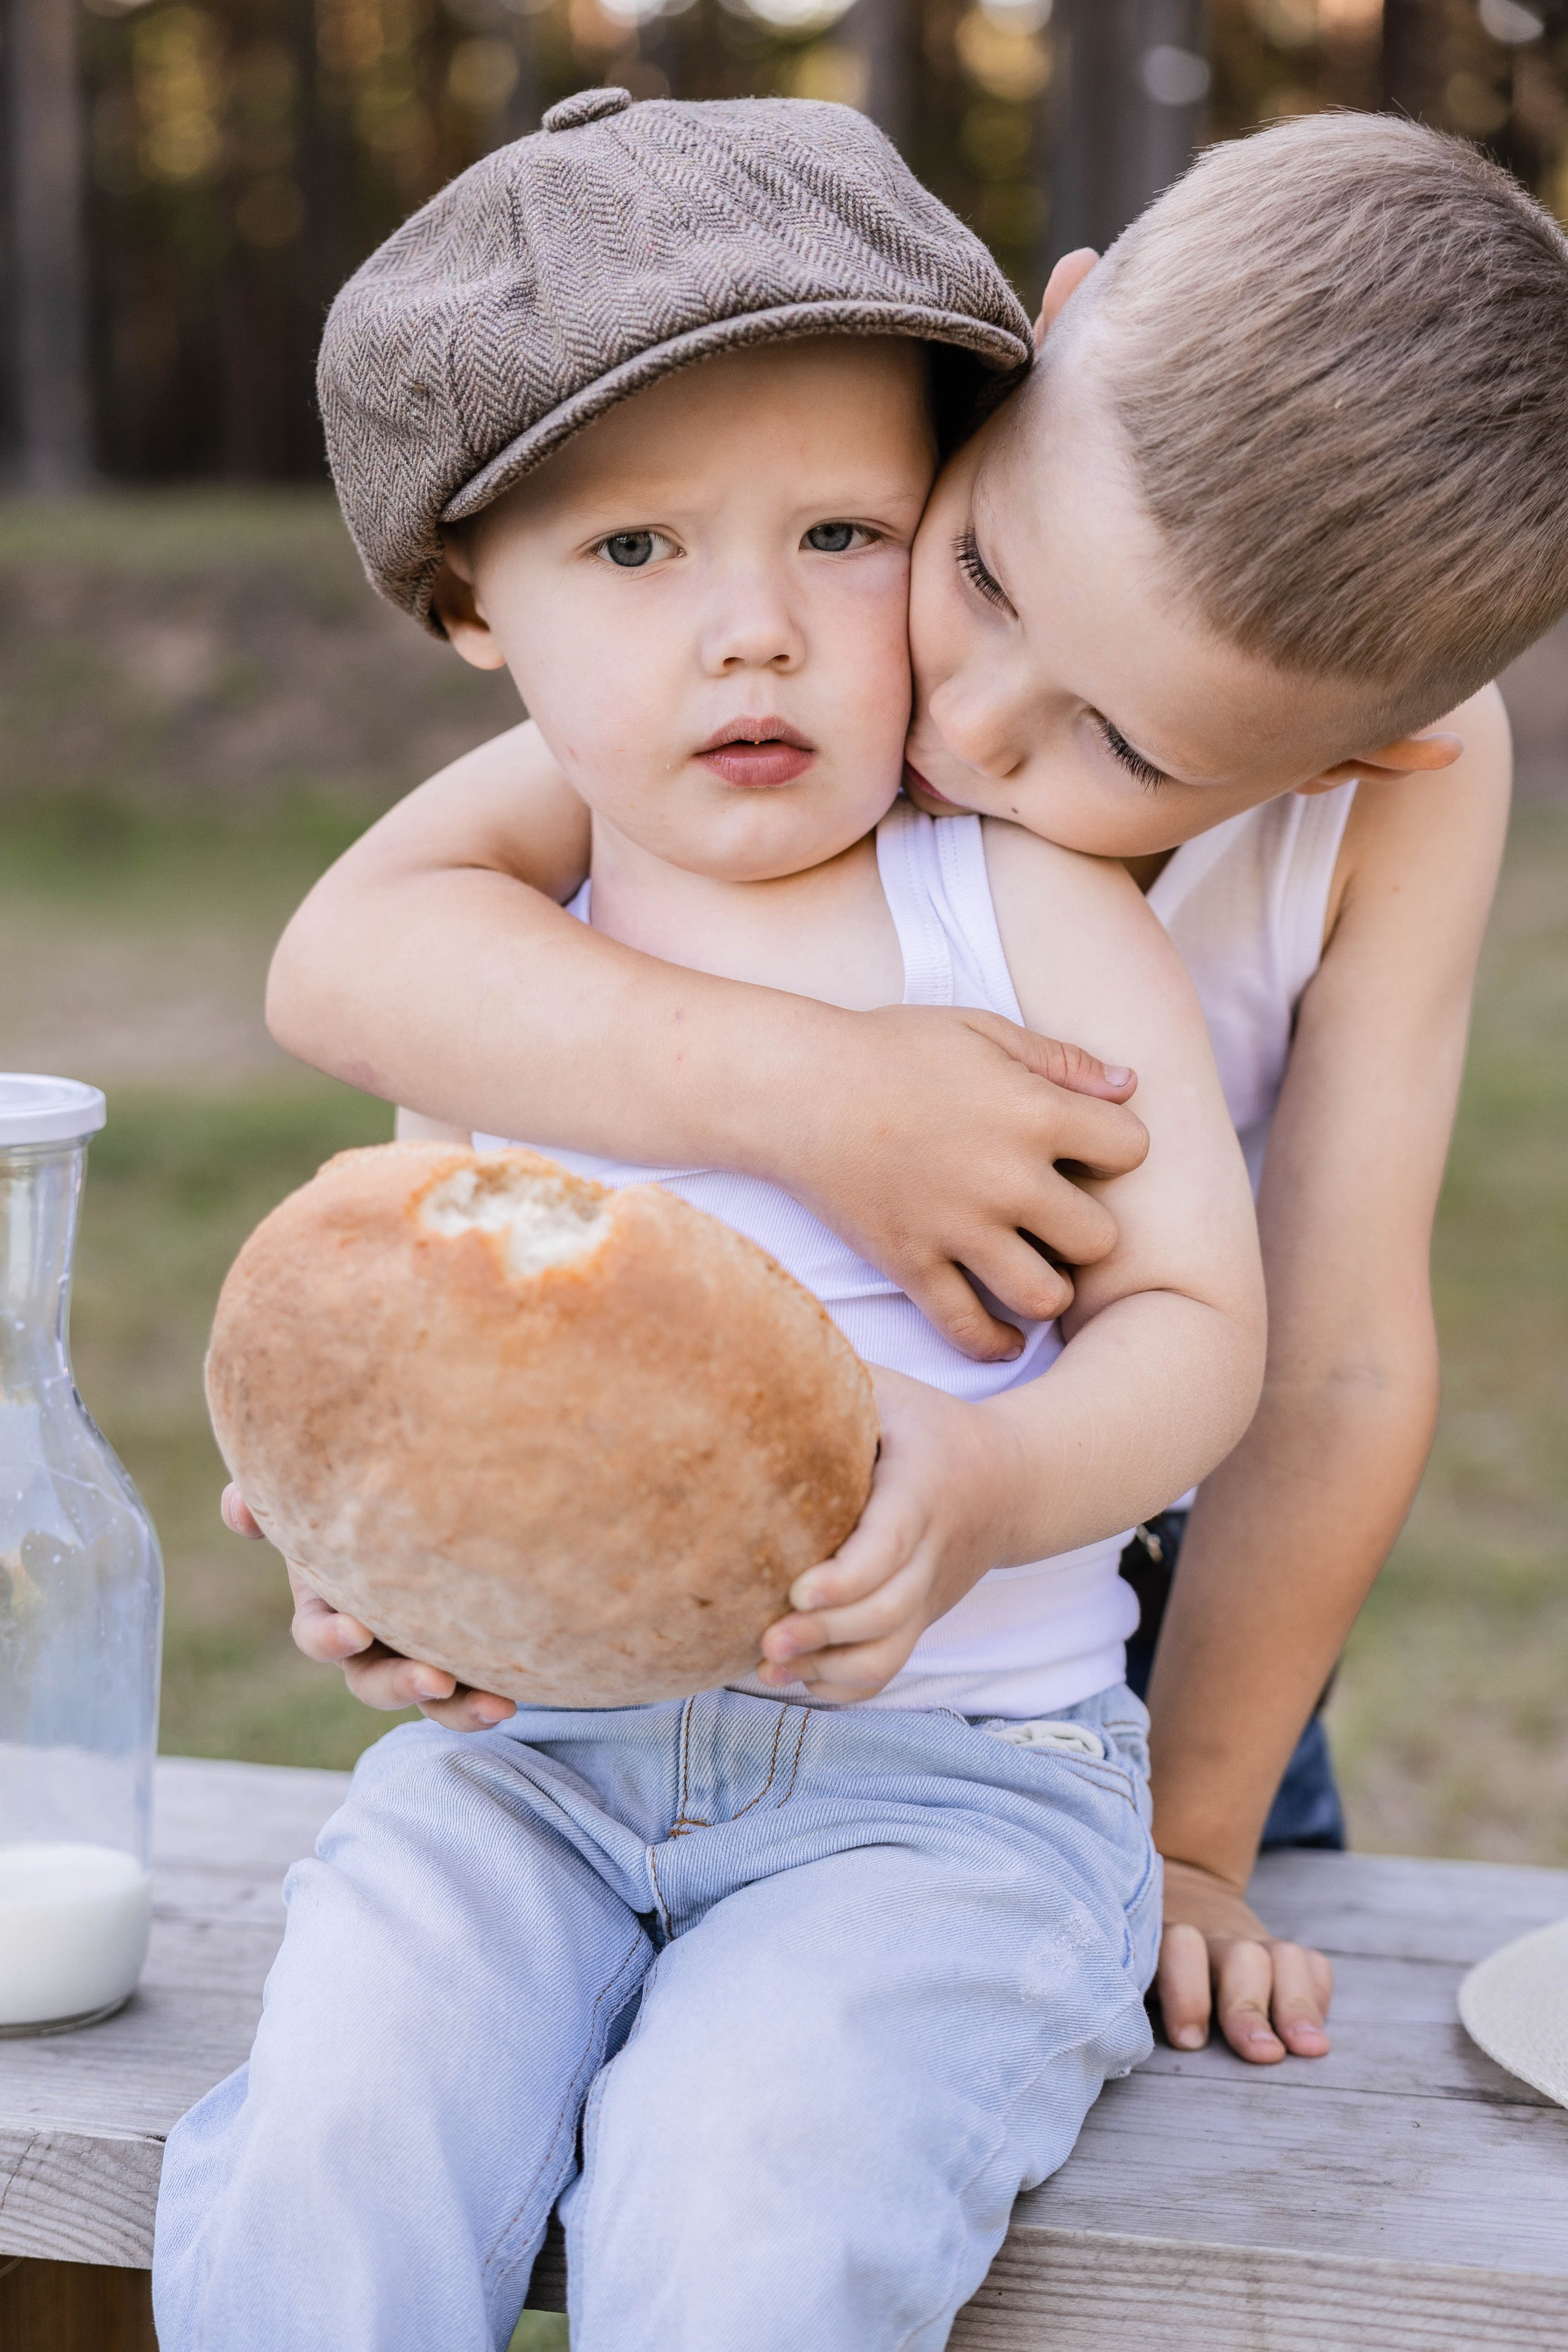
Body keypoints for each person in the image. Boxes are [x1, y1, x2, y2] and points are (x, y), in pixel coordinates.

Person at [257, 110, 1568, 2066]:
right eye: (985, 576)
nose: (958, 723)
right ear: (1060, 333)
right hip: (669, 1610)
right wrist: (821, 1098)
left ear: (1342, 762)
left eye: (1117, 741)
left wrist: (1191, 1846)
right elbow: (356, 962)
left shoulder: (1405, 782)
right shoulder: (778, 665)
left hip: (1107, 1621)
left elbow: (1336, 1367)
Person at [157, 96, 1266, 2352]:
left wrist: (991, 1484)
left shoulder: (1022, 909)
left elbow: (1198, 1327)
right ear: (477, 600)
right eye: (636, 553)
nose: (751, 632)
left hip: (947, 1799)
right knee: (340, 2132)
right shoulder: (505, 941)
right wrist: (384, 1576)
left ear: (956, 529)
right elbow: (423, 1368)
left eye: (843, 532)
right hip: (530, 1769)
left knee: (756, 2197)